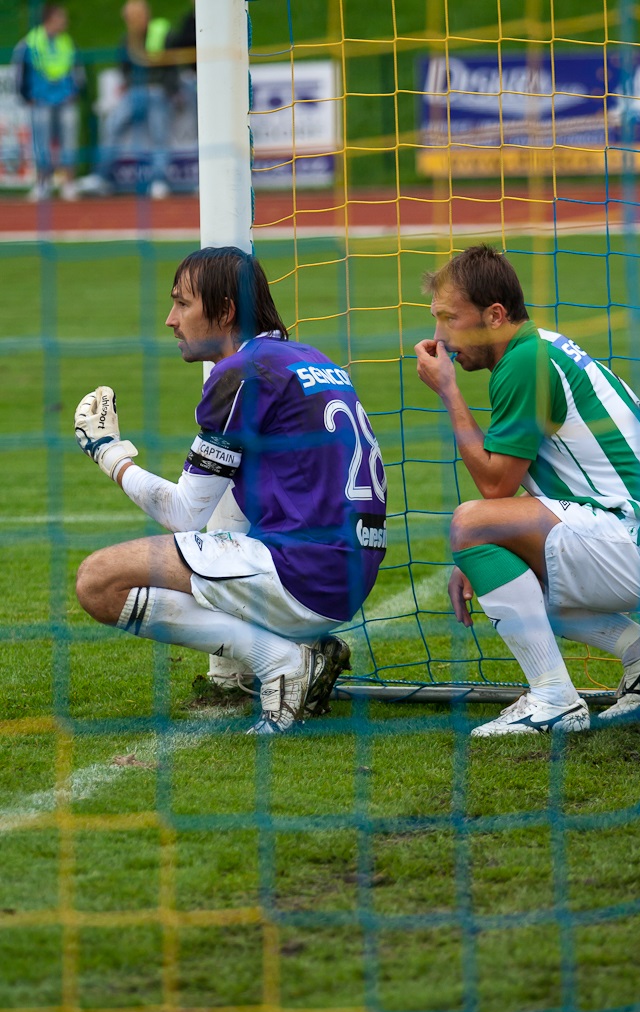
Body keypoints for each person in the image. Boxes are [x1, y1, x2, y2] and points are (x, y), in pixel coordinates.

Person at [73, 246, 387, 734]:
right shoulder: (309, 358)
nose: (170, 319)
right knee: (221, 522)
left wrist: (108, 453)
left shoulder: (243, 371)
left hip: (303, 573)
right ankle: (298, 649)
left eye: (182, 304)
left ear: (224, 311)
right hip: (348, 572)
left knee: (98, 581)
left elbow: (184, 514)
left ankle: (281, 661)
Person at [415, 244, 640, 737]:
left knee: (468, 522)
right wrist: (486, 554)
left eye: (449, 318)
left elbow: (495, 484)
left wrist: (449, 392)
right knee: (496, 557)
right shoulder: (537, 348)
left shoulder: (525, 362)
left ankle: (553, 699)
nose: (440, 337)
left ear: (494, 316)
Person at [79, 0, 175, 199]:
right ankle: (100, 177)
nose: (132, 21)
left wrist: (167, 88)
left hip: (157, 91)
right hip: (135, 91)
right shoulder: (127, 38)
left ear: (145, 14)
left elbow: (172, 64)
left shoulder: (161, 32)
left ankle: (159, 181)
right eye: (129, 18)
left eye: (135, 16)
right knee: (112, 127)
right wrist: (130, 83)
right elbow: (123, 66)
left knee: (159, 136)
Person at [13, 4, 83, 202]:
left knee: (69, 142)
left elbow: (78, 69)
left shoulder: (67, 42)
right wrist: (26, 96)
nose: (65, 21)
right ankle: (42, 184)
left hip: (65, 100)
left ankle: (69, 184)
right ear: (50, 19)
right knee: (40, 144)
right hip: (40, 101)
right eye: (61, 17)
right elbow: (19, 71)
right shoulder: (29, 43)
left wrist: (76, 91)